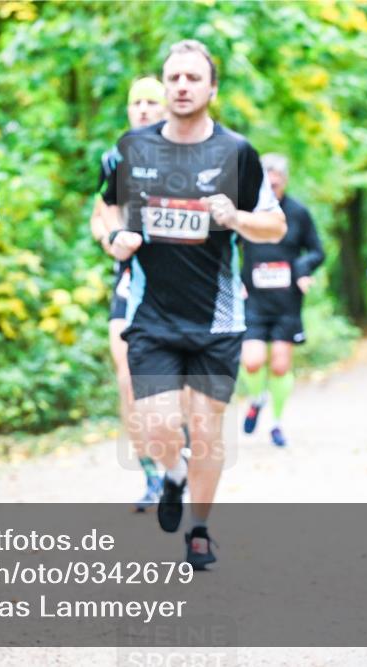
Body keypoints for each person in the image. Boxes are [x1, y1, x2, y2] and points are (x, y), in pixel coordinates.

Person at [101, 39, 285, 569]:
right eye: (173, 78)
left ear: (211, 88)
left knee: (206, 432)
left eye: (192, 78)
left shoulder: (237, 152)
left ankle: (199, 530)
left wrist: (236, 219)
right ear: (165, 86)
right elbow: (108, 211)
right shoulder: (133, 148)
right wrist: (117, 240)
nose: (181, 87)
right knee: (158, 425)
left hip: (217, 319)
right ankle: (172, 477)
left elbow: (275, 226)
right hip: (152, 315)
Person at [89, 76, 169, 512]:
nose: (142, 109)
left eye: (150, 102)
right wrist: (112, 238)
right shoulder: (114, 159)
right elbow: (100, 215)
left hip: (180, 286)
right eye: (135, 102)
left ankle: (179, 453)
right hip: (130, 280)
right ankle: (151, 475)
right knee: (128, 379)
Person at [237, 153, 324, 447]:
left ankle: (276, 423)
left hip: (287, 302)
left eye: (276, 184)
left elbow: (317, 251)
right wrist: (235, 280)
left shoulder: (298, 212)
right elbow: (224, 248)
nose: (271, 189)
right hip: (254, 300)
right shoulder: (245, 211)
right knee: (251, 362)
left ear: (284, 182)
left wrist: (302, 269)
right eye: (266, 184)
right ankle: (256, 397)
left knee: (280, 366)